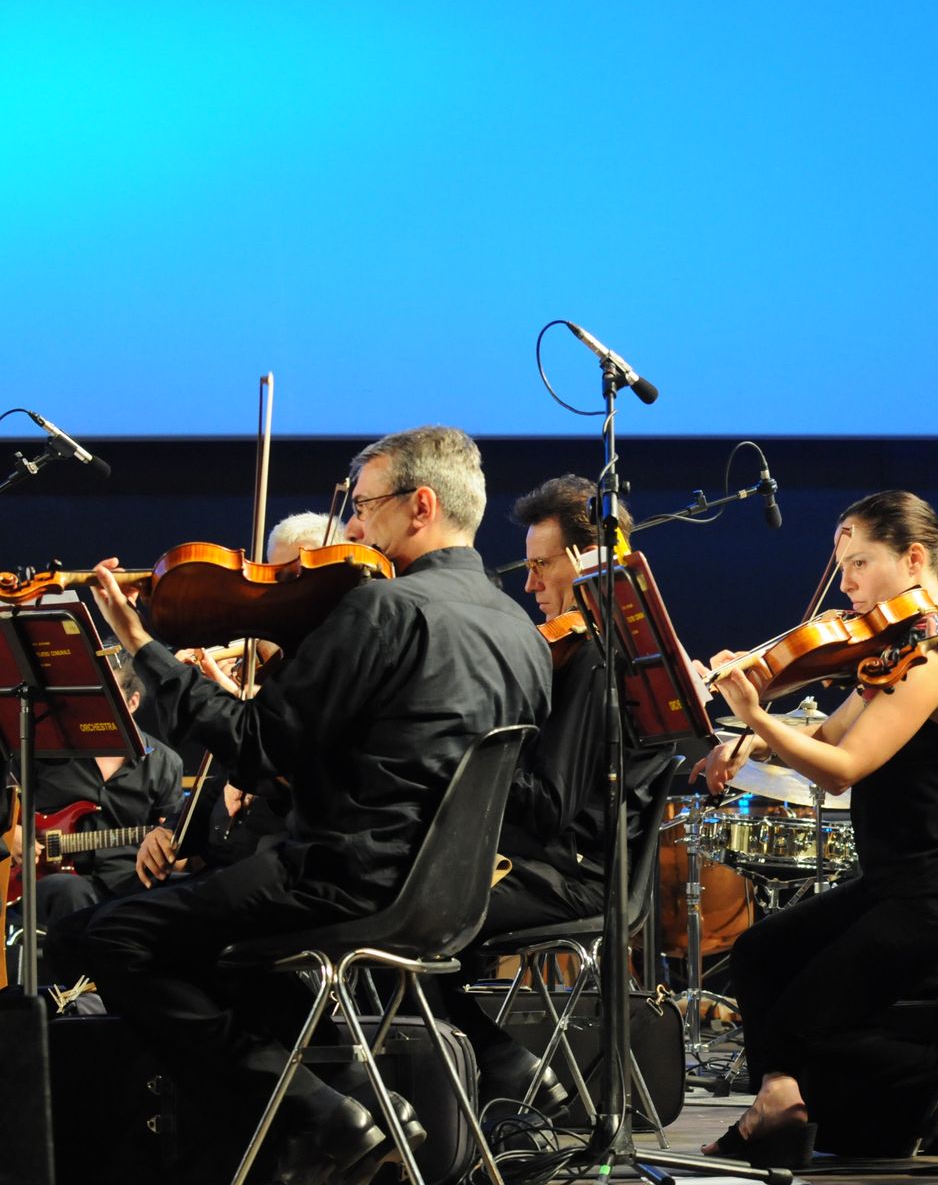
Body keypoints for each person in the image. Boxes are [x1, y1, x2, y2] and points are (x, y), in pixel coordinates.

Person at [51, 425, 552, 1185]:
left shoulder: (385, 610)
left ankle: (313, 1114)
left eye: (364, 506)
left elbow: (256, 745)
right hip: (449, 897)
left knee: (112, 935)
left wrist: (143, 647)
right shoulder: (522, 631)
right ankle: (353, 1102)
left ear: (420, 506)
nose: (351, 526)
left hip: (345, 880)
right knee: (222, 951)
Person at [693, 489, 938, 1164]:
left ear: (914, 559)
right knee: (759, 953)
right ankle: (778, 1097)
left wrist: (755, 715)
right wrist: (750, 742)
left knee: (803, 1020)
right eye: (843, 568)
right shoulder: (899, 650)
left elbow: (841, 770)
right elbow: (829, 734)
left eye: (860, 563)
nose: (846, 585)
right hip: (897, 882)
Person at [431, 472, 670, 1108]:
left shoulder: (596, 657)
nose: (530, 584)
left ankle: (507, 1071)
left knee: (411, 917)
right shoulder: (586, 651)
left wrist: (466, 747)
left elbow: (547, 807)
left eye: (541, 566)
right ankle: (482, 1084)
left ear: (591, 561)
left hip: (575, 874)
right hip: (559, 862)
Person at [134, 511, 344, 885]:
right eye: (274, 578)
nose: (278, 598)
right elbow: (219, 778)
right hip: (223, 871)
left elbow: (294, 767)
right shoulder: (270, 662)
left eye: (294, 580)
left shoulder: (336, 674)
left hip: (278, 874)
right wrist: (170, 832)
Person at [4, 658, 184, 984]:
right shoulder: (50, 749)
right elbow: (5, 798)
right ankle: (82, 995)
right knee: (72, 892)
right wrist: (10, 832)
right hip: (48, 881)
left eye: (103, 695)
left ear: (132, 701)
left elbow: (174, 833)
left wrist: (172, 847)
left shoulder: (165, 763)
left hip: (129, 881)